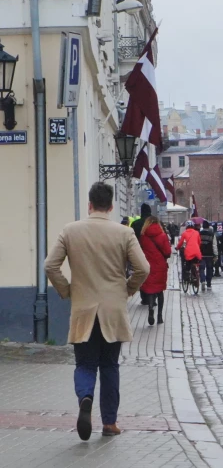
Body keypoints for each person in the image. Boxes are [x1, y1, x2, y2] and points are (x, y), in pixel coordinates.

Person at [44, 182, 150, 440]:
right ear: (111, 206)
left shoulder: (71, 231)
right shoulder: (123, 233)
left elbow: (50, 266)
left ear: (89, 204)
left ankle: (85, 397)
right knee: (110, 366)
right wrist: (128, 289)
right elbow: (143, 268)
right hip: (113, 310)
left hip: (83, 309)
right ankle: (110, 422)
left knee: (85, 364)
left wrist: (67, 290)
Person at [139, 216, 171, 325]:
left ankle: (151, 308)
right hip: (160, 266)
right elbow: (168, 252)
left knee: (151, 289)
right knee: (159, 290)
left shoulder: (143, 237)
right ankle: (160, 316)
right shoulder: (162, 236)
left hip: (148, 265)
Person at [131, 203, 152, 305]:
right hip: (153, 253)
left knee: (142, 272)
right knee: (153, 274)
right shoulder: (155, 223)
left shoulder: (135, 224)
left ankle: (144, 297)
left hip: (139, 252)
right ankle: (153, 296)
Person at [199, 221, 218, 290]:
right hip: (210, 254)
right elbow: (214, 245)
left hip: (201, 254)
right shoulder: (212, 234)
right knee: (209, 268)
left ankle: (203, 280)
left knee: (201, 268)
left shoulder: (199, 234)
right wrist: (216, 254)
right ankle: (209, 283)